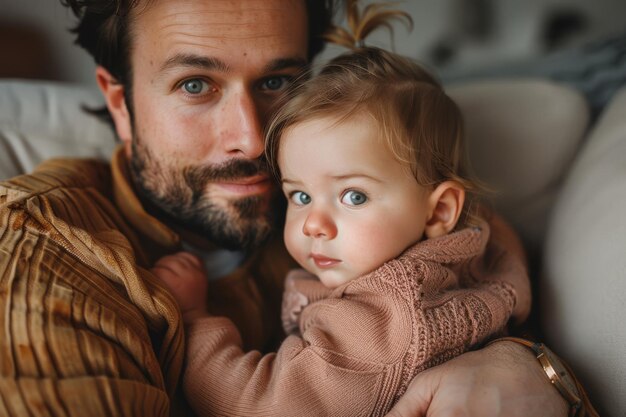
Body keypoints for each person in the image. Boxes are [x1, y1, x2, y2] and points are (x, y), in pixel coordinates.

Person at [0, 0, 574, 415]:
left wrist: (525, 361)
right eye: (196, 85)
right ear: (120, 103)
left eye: (277, 80)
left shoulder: (336, 211)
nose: (252, 140)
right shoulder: (49, 243)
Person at [152, 24, 534, 413]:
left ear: (439, 210)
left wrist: (195, 317)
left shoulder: (375, 325)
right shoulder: (484, 248)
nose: (313, 224)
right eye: (299, 195)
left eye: (353, 196)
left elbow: (259, 404)